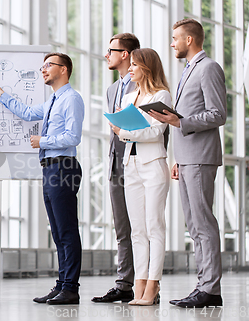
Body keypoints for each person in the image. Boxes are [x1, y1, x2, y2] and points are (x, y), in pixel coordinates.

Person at [0, 52, 84, 305]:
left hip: (64, 167)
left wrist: (44, 141)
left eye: (48, 65)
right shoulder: (53, 100)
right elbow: (28, 112)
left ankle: (71, 288)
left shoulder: (71, 99)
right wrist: (1, 95)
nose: (43, 70)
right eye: (42, 66)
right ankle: (63, 284)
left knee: (66, 230)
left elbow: (73, 137)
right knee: (58, 232)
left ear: (64, 70)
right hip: (50, 167)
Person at [149, 18, 226, 309]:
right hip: (187, 157)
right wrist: (178, 158)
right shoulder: (188, 70)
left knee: (203, 223)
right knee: (194, 225)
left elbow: (218, 114)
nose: (172, 43)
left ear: (189, 40)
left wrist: (180, 121)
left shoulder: (208, 68)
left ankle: (210, 289)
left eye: (175, 38)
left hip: (202, 156)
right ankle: (204, 286)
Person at [109, 48, 171, 306]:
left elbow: (157, 133)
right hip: (130, 164)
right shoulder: (129, 95)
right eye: (130, 64)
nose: (130, 69)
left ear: (147, 67)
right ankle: (140, 284)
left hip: (153, 164)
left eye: (135, 65)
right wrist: (121, 128)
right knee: (137, 230)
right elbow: (127, 129)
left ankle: (153, 285)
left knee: (154, 226)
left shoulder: (162, 94)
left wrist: (124, 131)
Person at [92, 33, 140, 304]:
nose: (105, 54)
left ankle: (144, 282)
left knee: (141, 226)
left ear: (126, 54)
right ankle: (124, 284)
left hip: (137, 160)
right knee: (121, 227)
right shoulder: (112, 89)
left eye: (111, 50)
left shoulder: (143, 83)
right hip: (116, 163)